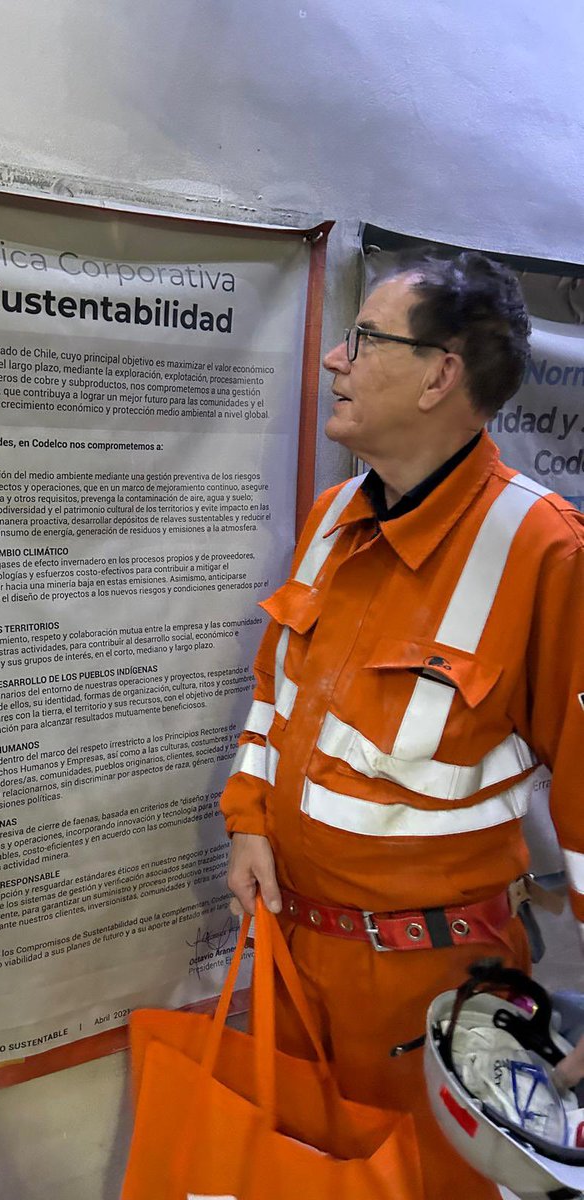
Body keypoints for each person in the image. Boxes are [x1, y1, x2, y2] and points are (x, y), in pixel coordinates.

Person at [220, 251, 584, 1199]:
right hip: (294, 953)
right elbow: (276, 692)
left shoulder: (545, 550)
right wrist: (250, 816)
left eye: (366, 339)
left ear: (439, 374)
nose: (337, 360)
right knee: (295, 1178)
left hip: (429, 986)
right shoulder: (334, 514)